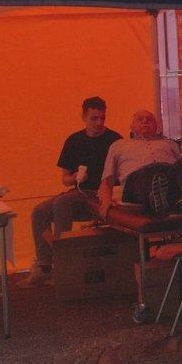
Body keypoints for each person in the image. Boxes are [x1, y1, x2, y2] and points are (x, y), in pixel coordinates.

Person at [20, 96, 120, 287]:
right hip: (80, 190)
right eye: (94, 118)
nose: (99, 123)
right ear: (83, 117)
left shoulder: (114, 141)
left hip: (103, 193)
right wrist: (74, 178)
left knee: (62, 202)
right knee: (39, 211)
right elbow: (64, 179)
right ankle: (44, 266)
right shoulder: (74, 141)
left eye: (102, 118)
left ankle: (63, 262)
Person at [94, 109, 182, 215]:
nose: (145, 121)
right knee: (150, 172)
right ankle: (155, 197)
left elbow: (181, 169)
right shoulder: (119, 145)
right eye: (140, 119)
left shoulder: (170, 144)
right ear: (131, 127)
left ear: (156, 126)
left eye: (149, 119)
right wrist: (106, 201)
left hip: (168, 178)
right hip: (137, 183)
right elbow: (107, 179)